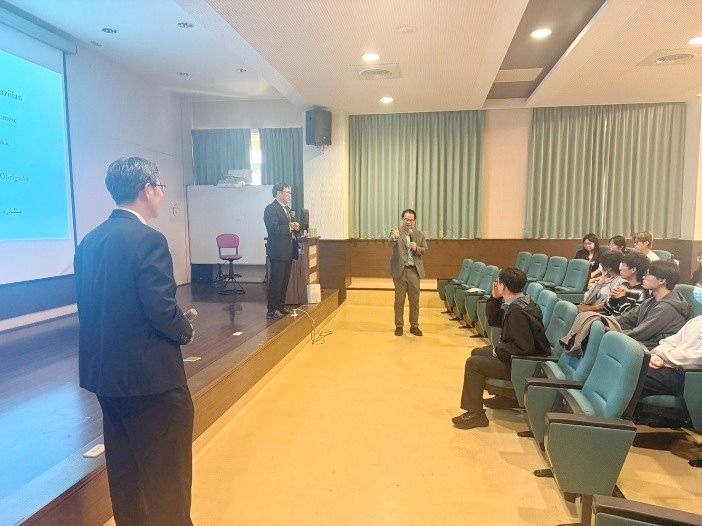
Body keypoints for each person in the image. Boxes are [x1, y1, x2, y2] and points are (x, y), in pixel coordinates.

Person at [75, 157, 195, 526]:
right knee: (167, 480)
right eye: (160, 186)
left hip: (106, 380)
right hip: (152, 381)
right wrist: (185, 329)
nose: (162, 193)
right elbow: (161, 309)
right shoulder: (149, 240)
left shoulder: (89, 241)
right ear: (147, 189)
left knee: (126, 476)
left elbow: (91, 307)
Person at [452, 268, 549, 429]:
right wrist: (495, 299)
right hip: (517, 358)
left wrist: (498, 350)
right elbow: (494, 320)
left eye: (498, 282)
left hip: (523, 365)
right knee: (477, 352)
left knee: (474, 363)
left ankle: (475, 414)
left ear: (503, 286)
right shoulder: (518, 302)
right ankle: (507, 398)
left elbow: (523, 347)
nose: (496, 285)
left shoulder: (518, 312)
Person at [613, 261, 689, 349]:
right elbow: (627, 318)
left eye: (648, 274)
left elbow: (639, 333)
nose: (643, 277)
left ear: (661, 280)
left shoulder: (666, 308)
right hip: (641, 344)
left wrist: (610, 332)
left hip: (652, 350)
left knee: (610, 340)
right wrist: (605, 321)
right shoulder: (651, 301)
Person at [389, 208, 428, 336]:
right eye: (406, 219)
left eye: (411, 220)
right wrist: (394, 238)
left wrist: (417, 248)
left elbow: (425, 249)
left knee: (414, 301)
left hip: (414, 272)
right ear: (402, 219)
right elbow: (389, 243)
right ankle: (399, 326)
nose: (408, 222)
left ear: (414, 220)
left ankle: (414, 326)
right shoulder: (396, 231)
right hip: (400, 272)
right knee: (399, 301)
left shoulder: (419, 234)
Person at [264, 182, 300, 320]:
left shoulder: (287, 209)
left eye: (290, 193)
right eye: (287, 192)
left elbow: (288, 227)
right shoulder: (271, 209)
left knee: (284, 281)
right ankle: (272, 310)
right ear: (279, 193)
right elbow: (273, 229)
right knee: (276, 281)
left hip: (288, 250)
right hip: (278, 251)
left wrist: (295, 226)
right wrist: (290, 226)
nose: (289, 195)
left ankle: (281, 306)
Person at [602, 252, 650, 316]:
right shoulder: (624, 284)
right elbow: (607, 311)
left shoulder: (642, 291)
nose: (620, 268)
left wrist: (621, 299)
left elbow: (631, 317)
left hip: (618, 322)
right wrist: (612, 299)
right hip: (608, 319)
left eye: (624, 265)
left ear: (633, 270)